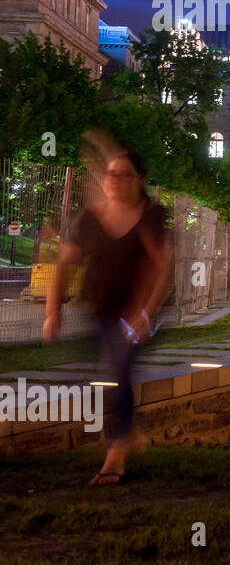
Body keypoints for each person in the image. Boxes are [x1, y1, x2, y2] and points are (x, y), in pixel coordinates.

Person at [45, 139, 173, 486]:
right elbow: (65, 264)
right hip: (100, 309)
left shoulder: (150, 217)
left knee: (119, 368)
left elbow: (162, 268)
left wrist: (145, 314)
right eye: (111, 173)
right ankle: (126, 434)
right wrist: (52, 309)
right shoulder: (91, 218)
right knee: (110, 372)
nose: (115, 179)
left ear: (138, 180)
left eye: (124, 174)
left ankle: (115, 454)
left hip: (136, 311)